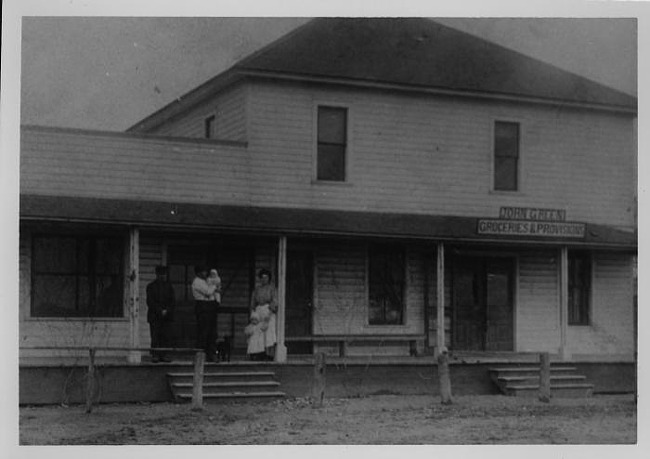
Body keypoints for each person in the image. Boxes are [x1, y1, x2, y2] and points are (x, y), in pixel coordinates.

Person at [146, 265, 175, 363]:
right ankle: (155, 355)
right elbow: (150, 301)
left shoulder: (169, 287)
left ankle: (165, 355)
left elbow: (172, 301)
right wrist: (159, 310)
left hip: (166, 316)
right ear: (157, 274)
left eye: (164, 274)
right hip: (155, 316)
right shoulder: (151, 287)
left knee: (166, 336)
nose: (162, 276)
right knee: (155, 336)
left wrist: (167, 310)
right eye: (160, 274)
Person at [192, 265, 221, 362]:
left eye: (205, 271)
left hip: (210, 306)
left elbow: (215, 292)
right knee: (203, 332)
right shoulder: (197, 282)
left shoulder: (206, 281)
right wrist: (214, 286)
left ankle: (211, 354)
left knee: (212, 332)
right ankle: (201, 355)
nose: (205, 273)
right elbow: (208, 292)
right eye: (202, 271)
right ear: (198, 273)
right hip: (203, 306)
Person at [249, 268, 277, 361]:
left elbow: (274, 301)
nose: (264, 279)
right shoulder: (257, 289)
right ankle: (258, 353)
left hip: (268, 310)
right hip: (259, 310)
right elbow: (253, 302)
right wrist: (253, 313)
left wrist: (269, 314)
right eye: (262, 277)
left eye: (266, 277)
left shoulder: (272, 289)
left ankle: (269, 354)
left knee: (268, 333)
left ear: (269, 278)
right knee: (257, 332)